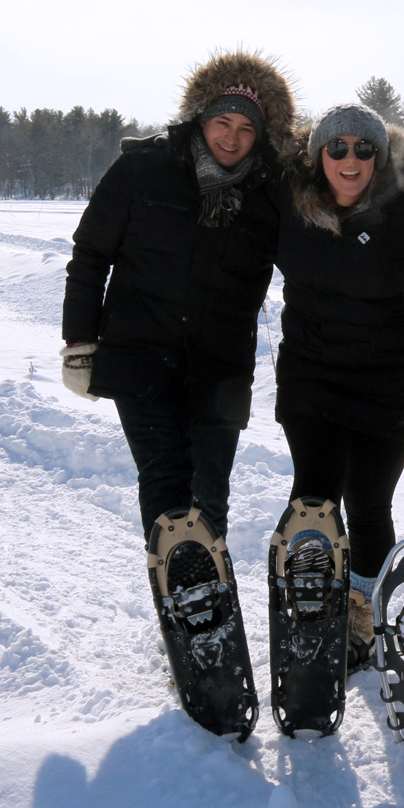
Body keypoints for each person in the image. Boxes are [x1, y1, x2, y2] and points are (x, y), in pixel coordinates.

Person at [61, 50, 295, 541]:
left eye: (246, 128)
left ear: (262, 135)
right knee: (167, 487)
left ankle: (212, 612)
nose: (231, 137)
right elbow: (90, 254)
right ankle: (181, 608)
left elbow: (315, 253)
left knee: (210, 499)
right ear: (201, 119)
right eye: (222, 121)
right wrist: (79, 342)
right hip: (142, 356)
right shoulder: (144, 167)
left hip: (221, 368)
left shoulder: (272, 191)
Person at [271, 103, 404, 647]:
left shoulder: (402, 211)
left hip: (390, 379)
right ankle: (307, 605)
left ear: (379, 157)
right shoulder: (287, 205)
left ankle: (358, 615)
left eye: (364, 149)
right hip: (313, 374)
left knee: (370, 502)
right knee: (314, 496)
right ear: (316, 156)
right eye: (337, 147)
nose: (349, 159)